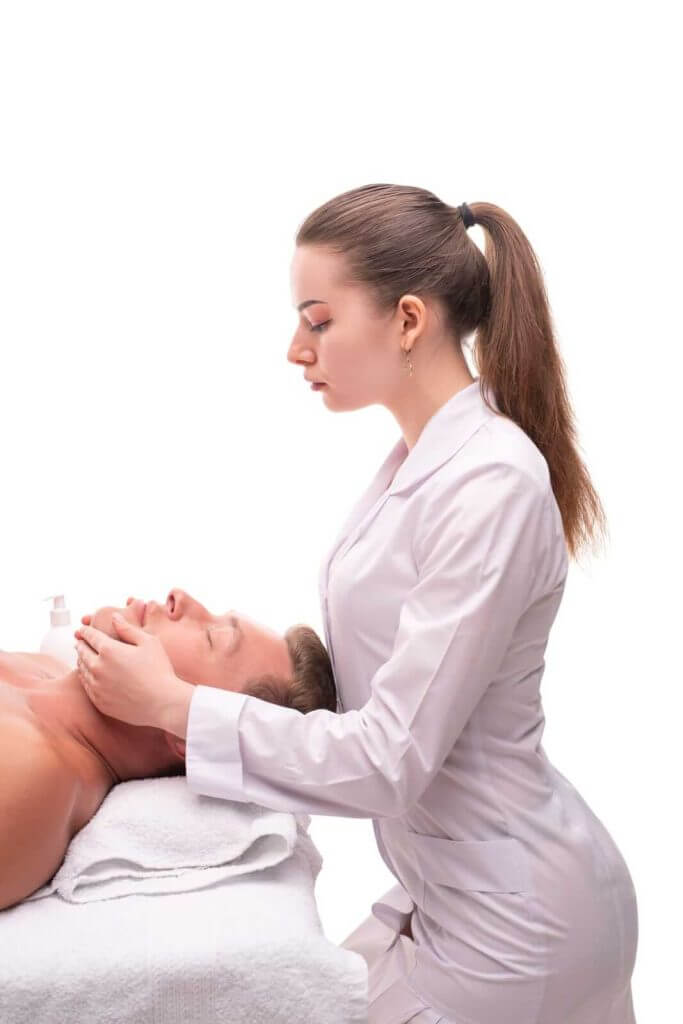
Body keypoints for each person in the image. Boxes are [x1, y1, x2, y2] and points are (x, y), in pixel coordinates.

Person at [74, 185, 639, 1023]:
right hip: (453, 887)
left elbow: (389, 760)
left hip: (517, 921)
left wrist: (175, 704)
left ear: (407, 320)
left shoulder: (489, 483)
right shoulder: (425, 461)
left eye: (318, 320)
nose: (296, 349)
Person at [0, 591, 334, 911]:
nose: (180, 596)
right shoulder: (42, 671)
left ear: (192, 728)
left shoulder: (33, 775)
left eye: (212, 636)